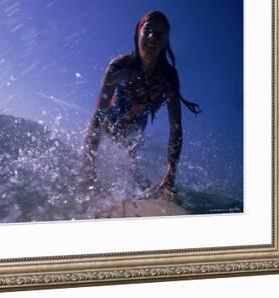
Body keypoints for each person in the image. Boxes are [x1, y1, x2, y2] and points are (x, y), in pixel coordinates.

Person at [81, 11, 200, 200]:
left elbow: (175, 129)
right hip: (112, 118)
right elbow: (97, 116)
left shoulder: (169, 78)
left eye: (159, 34)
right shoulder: (119, 67)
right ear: (138, 33)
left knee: (129, 159)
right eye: (149, 30)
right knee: (107, 137)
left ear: (165, 42)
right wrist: (89, 172)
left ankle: (135, 191)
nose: (153, 36)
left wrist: (170, 177)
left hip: (138, 122)